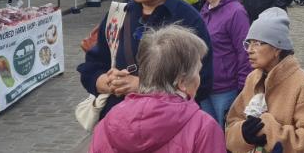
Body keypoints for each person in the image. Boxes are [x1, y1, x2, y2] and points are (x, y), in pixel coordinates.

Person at [77, 0, 214, 119]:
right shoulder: (118, 14)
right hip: (119, 122)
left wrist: (142, 86)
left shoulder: (187, 19)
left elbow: (202, 82)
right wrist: (104, 82)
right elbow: (92, 66)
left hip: (168, 124)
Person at [89, 25, 226, 153]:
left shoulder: (108, 122)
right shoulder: (203, 127)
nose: (199, 78)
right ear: (182, 81)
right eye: (197, 71)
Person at [226, 8, 304, 153]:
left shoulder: (303, 84)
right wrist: (243, 134)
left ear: (277, 49)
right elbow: (232, 123)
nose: (249, 49)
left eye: (257, 43)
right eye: (248, 43)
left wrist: (269, 129)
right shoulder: (253, 78)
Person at [199, 0, 252, 127]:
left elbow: (244, 52)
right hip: (205, 85)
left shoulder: (236, 13)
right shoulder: (205, 10)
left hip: (226, 88)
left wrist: (243, 87)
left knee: (226, 135)